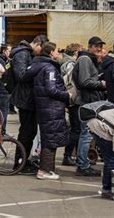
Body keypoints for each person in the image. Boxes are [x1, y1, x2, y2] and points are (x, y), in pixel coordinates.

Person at [25, 42, 69, 180]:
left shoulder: (39, 65)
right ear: (51, 53)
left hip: (46, 107)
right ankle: (45, 170)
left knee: (49, 138)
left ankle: (47, 169)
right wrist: (67, 95)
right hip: (51, 108)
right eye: (57, 51)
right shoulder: (49, 68)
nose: (59, 54)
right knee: (51, 139)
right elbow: (51, 89)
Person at [10, 34, 49, 174]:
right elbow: (20, 74)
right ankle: (20, 162)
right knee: (26, 132)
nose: (42, 52)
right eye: (42, 48)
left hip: (29, 98)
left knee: (31, 131)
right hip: (24, 99)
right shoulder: (22, 54)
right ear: (37, 44)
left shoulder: (28, 54)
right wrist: (37, 68)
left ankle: (24, 160)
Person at [73, 36, 107, 176]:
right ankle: (82, 165)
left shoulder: (89, 59)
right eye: (97, 46)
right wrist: (101, 85)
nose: (99, 49)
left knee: (87, 134)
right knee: (86, 134)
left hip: (90, 101)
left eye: (100, 47)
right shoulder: (85, 60)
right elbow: (84, 82)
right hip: (87, 102)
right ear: (90, 46)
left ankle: (83, 162)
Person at [60, 43, 82, 166]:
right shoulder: (70, 64)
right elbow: (71, 82)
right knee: (76, 129)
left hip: (69, 99)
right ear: (75, 53)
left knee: (74, 129)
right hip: (73, 99)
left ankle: (72, 155)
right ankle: (68, 155)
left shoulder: (64, 62)